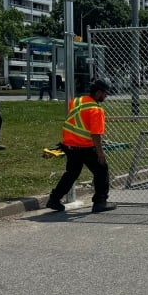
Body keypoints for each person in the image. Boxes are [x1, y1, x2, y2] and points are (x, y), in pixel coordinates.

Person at [46, 78, 117, 213]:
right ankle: (100, 202)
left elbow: (77, 122)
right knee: (101, 171)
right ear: (98, 93)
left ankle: (54, 199)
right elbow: (96, 134)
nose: (106, 96)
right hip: (86, 147)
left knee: (71, 173)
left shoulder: (76, 101)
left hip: (70, 145)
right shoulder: (96, 110)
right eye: (105, 93)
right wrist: (100, 153)